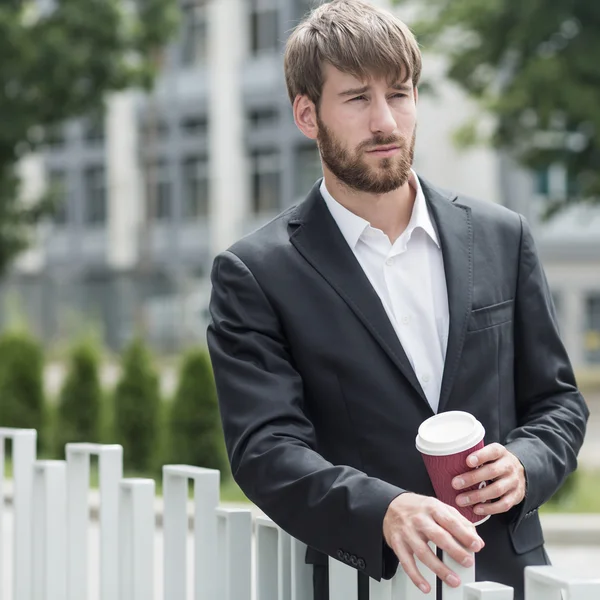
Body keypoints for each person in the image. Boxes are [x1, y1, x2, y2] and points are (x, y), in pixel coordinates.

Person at [206, 1, 589, 599]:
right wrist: (383, 510)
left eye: (401, 94)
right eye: (357, 98)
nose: (385, 121)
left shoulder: (500, 235)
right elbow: (266, 449)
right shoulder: (255, 273)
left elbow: (557, 404)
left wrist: (523, 465)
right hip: (357, 579)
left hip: (504, 577)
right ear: (307, 114)